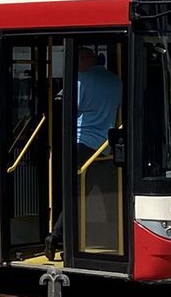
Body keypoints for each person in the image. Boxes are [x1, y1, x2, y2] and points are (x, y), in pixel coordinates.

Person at [46, 47, 122, 258]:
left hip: (81, 145)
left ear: (85, 60)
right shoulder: (116, 81)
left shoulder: (79, 81)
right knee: (109, 198)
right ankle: (112, 239)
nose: (75, 64)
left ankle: (57, 238)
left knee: (75, 198)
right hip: (105, 148)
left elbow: (65, 107)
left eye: (77, 59)